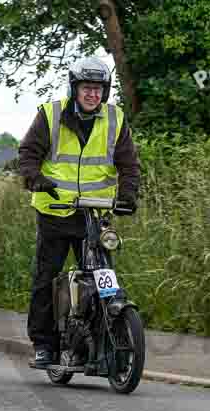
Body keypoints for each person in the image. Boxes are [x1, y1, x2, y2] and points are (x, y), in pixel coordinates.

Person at [18, 56, 141, 368]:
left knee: (103, 276)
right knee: (47, 277)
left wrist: (127, 195)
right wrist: (36, 180)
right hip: (55, 211)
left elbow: (128, 164)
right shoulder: (52, 114)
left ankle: (106, 339)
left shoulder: (114, 119)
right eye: (86, 88)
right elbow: (28, 153)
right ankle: (44, 345)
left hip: (95, 214)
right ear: (75, 89)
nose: (92, 95)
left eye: (98, 89)